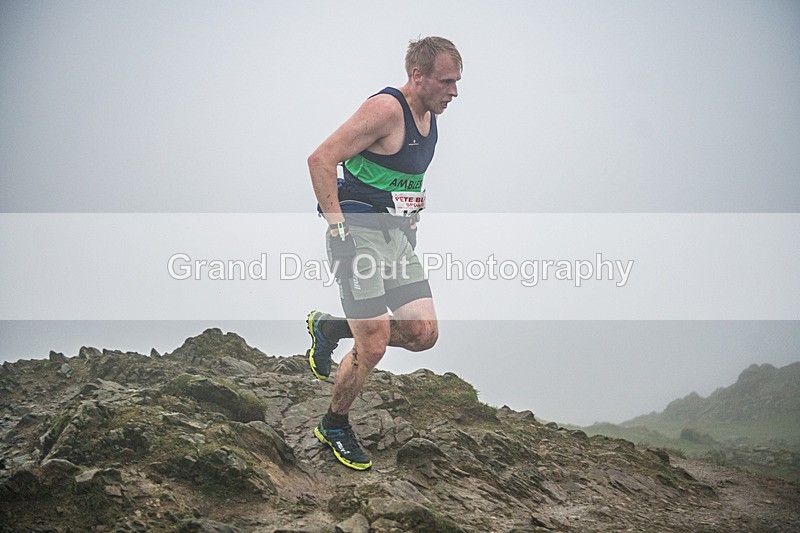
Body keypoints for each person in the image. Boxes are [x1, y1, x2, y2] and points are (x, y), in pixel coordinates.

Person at [306, 36, 462, 470]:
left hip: (396, 237)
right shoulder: (386, 110)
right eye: (446, 81)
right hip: (358, 234)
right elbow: (320, 159)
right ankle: (334, 424)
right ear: (418, 75)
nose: (454, 92)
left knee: (423, 333)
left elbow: (401, 175)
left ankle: (332, 328)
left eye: (457, 82)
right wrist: (338, 229)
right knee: (373, 345)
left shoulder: (429, 116)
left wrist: (412, 214)